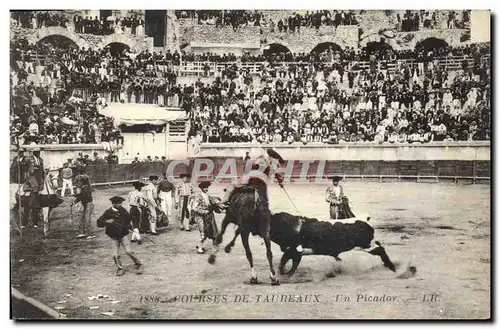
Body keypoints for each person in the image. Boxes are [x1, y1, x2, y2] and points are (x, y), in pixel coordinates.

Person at [96, 196, 142, 277]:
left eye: (121, 203)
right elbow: (99, 222)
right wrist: (107, 221)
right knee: (115, 254)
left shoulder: (123, 210)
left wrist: (128, 226)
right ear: (113, 204)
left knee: (128, 251)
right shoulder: (108, 212)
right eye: (118, 203)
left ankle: (137, 262)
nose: (120, 205)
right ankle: (120, 268)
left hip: (123, 234)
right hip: (113, 236)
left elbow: (128, 218)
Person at [191, 181, 219, 254]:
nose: (206, 189)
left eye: (207, 187)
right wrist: (203, 211)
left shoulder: (207, 196)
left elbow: (214, 203)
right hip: (200, 217)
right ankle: (199, 248)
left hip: (208, 216)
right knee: (203, 232)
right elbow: (194, 208)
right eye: (204, 188)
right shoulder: (198, 196)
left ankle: (200, 245)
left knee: (209, 231)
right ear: (201, 188)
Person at [72, 175, 95, 239]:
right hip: (86, 204)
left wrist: (76, 200)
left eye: (78, 182)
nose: (77, 184)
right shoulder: (85, 187)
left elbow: (82, 196)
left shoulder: (85, 188)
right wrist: (77, 196)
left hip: (88, 205)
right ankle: (82, 232)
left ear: (83, 182)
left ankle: (91, 233)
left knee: (87, 219)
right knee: (82, 218)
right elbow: (81, 195)